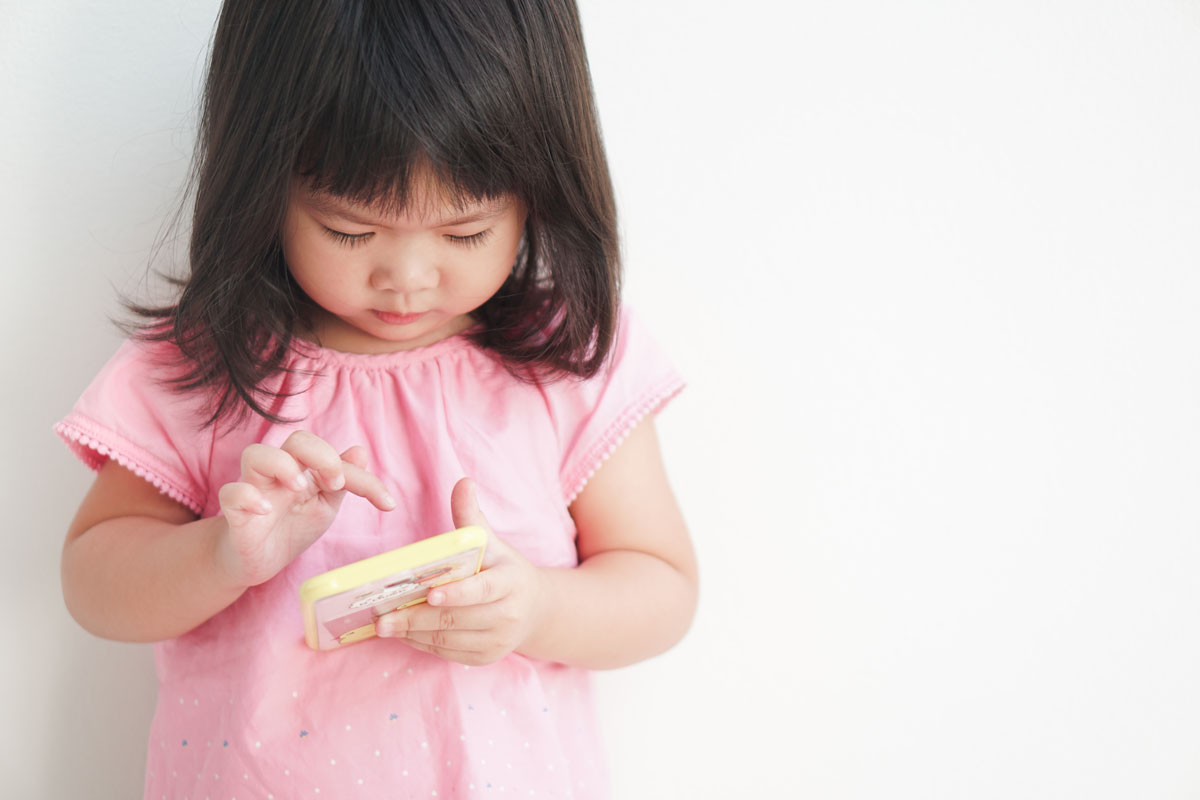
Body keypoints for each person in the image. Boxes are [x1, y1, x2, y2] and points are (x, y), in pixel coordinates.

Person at [55, 1, 697, 797]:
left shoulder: (563, 360)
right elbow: (94, 583)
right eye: (350, 232)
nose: (408, 277)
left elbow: (661, 586)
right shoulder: (204, 366)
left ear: (539, 193)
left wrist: (535, 608)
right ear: (263, 185)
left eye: (464, 234)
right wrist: (223, 554)